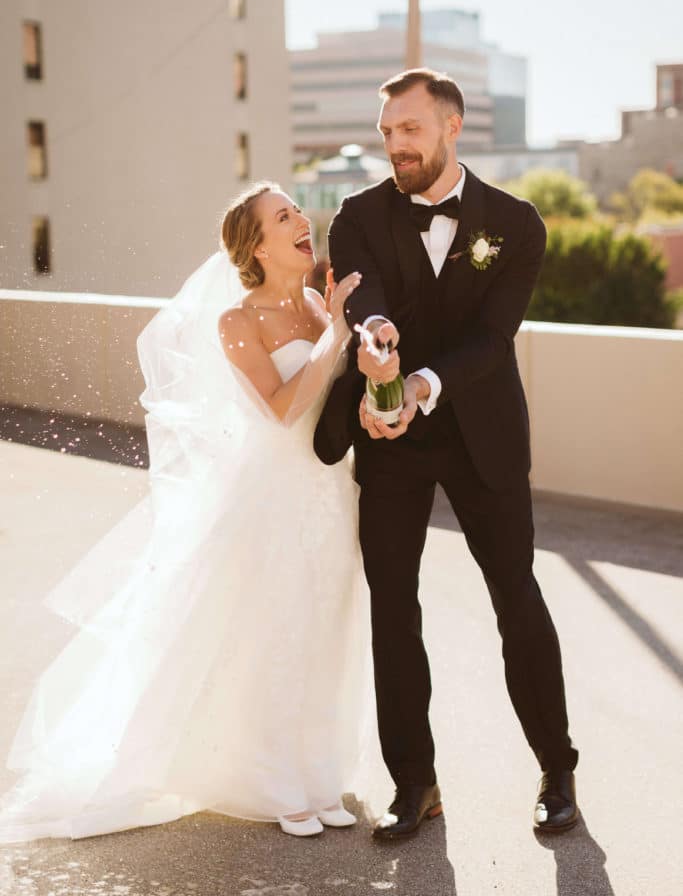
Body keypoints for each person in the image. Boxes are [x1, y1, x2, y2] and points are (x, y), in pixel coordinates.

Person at [0, 182, 372, 842]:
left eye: (296, 212)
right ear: (256, 245)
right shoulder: (236, 322)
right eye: (283, 216)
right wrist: (337, 334)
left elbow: (337, 395)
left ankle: (318, 775)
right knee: (275, 635)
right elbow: (282, 408)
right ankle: (273, 782)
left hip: (328, 492)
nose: (300, 223)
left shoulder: (318, 304)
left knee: (325, 627)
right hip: (270, 497)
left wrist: (364, 349)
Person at [314, 68, 579, 839]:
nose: (395, 144)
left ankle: (557, 769)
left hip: (480, 434)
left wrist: (421, 381)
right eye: (387, 132)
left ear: (451, 126)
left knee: (515, 600)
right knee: (393, 612)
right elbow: (363, 303)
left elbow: (492, 340)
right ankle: (414, 785)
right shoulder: (357, 216)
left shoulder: (516, 222)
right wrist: (375, 349)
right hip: (387, 435)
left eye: (410, 130)